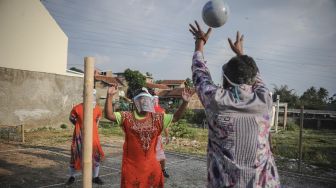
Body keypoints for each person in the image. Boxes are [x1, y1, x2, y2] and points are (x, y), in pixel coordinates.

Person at [189, 21, 280, 188]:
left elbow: (199, 73)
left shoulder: (216, 99)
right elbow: (255, 76)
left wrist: (200, 43)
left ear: (226, 79)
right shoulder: (264, 99)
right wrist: (240, 54)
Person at [105, 85, 192, 187]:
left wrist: (185, 102)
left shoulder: (158, 117)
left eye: (147, 99)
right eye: (142, 99)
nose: (144, 102)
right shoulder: (126, 116)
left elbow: (176, 117)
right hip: (131, 168)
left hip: (151, 167)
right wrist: (110, 96)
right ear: (136, 102)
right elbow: (109, 115)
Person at [66, 89, 105, 185]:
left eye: (93, 96)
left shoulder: (97, 108)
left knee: (95, 156)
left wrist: (93, 128)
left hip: (93, 137)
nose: (91, 97)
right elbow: (72, 118)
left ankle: (95, 177)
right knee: (75, 155)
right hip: (79, 136)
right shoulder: (77, 108)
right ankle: (72, 177)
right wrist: (80, 126)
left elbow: (97, 120)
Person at [149, 88, 170, 178]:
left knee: (160, 155)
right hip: (148, 136)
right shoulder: (147, 111)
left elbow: (165, 125)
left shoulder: (160, 111)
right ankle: (160, 170)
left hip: (156, 137)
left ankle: (162, 170)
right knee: (152, 155)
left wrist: (167, 135)